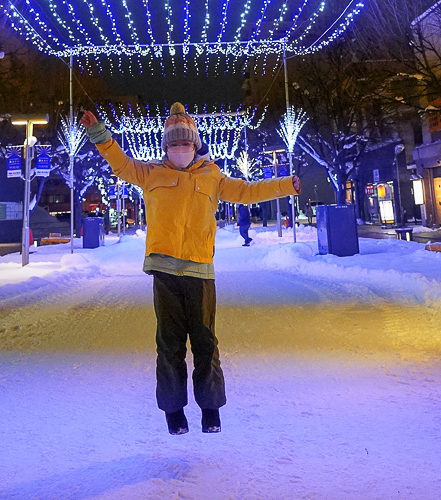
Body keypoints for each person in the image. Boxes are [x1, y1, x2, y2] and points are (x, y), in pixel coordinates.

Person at [81, 103, 300, 435]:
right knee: (168, 344)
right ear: (166, 147)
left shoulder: (211, 175)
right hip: (164, 272)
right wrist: (100, 134)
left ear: (195, 145)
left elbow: (245, 191)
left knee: (206, 342)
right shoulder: (151, 173)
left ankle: (210, 409)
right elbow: (121, 163)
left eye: (185, 144)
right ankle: (173, 412)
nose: (179, 149)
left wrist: (285, 185)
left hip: (200, 271)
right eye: (173, 144)